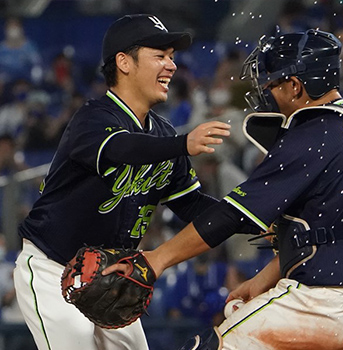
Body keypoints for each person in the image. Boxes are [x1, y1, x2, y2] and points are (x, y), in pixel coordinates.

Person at [108, 29, 343, 350]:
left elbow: (232, 215)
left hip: (330, 301)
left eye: (272, 83)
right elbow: (336, 233)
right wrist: (264, 278)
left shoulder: (314, 132)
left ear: (295, 86)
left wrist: (156, 259)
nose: (265, 92)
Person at [13, 14, 233, 350]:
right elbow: (120, 148)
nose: (171, 65)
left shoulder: (162, 133)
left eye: (172, 57)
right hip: (52, 269)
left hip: (112, 276)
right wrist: (182, 144)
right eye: (160, 56)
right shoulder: (92, 118)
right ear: (124, 62)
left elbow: (193, 205)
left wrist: (251, 218)